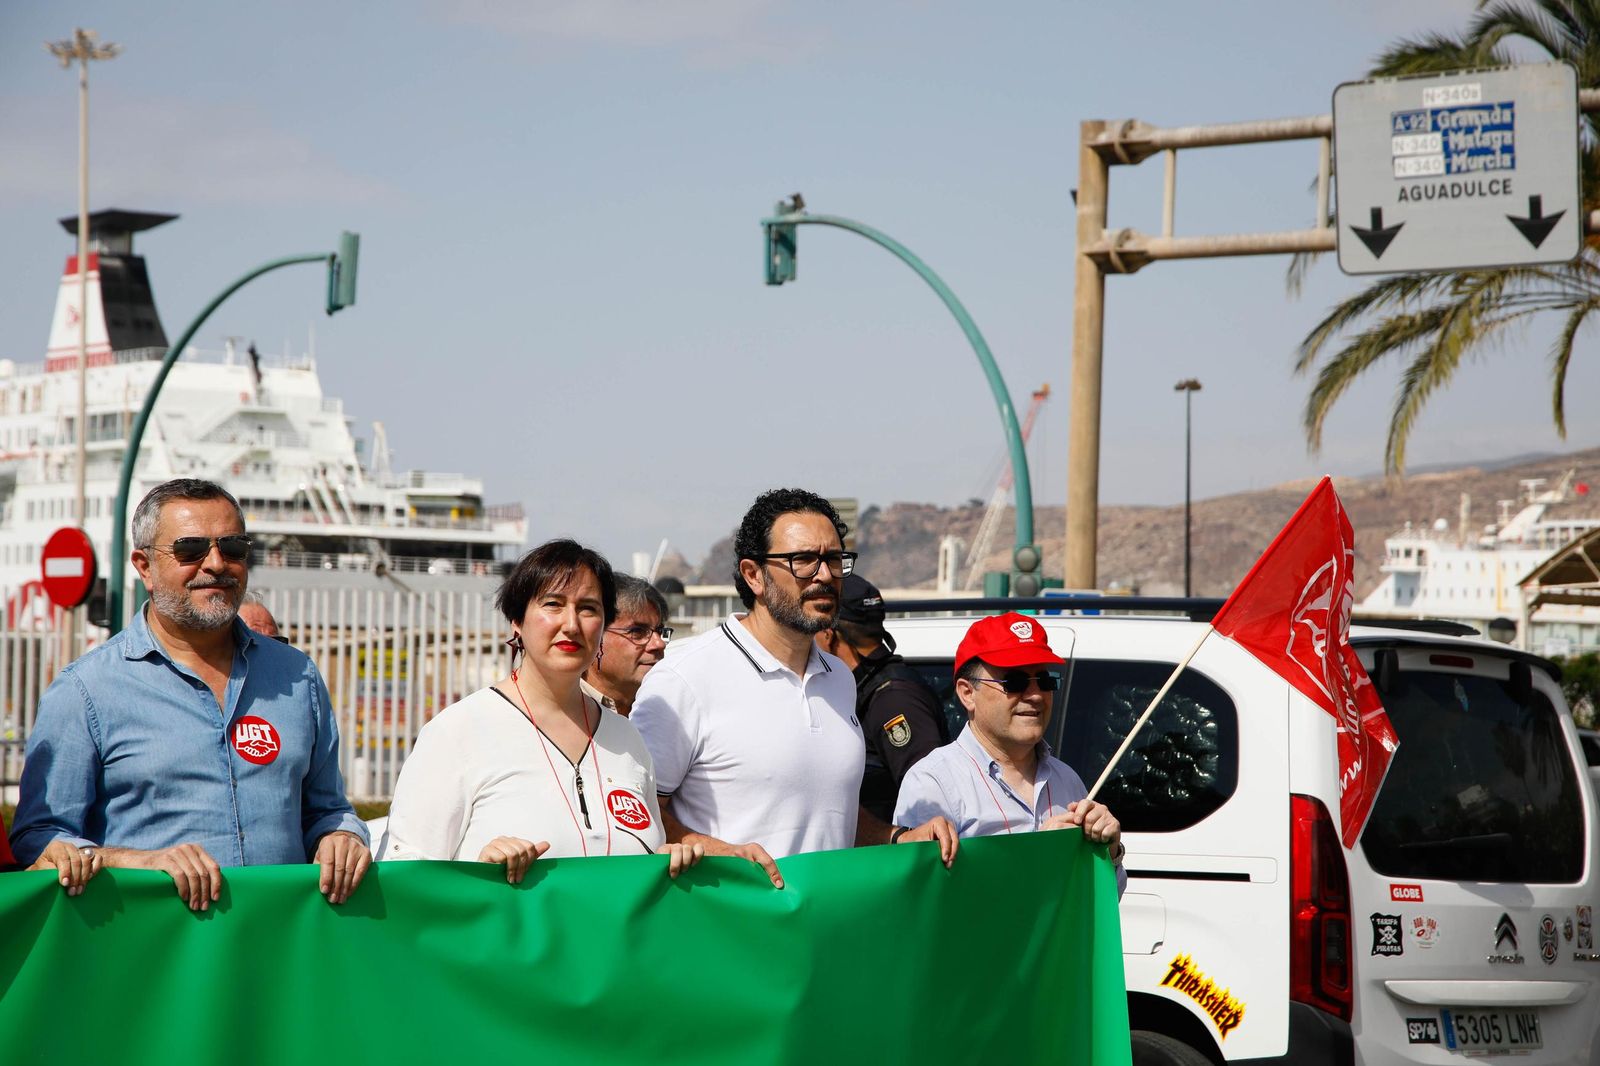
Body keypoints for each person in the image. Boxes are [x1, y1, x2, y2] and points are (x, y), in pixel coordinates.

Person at [10, 478, 370, 908]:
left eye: (232, 547)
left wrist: (343, 836)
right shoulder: (85, 690)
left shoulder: (297, 676)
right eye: (190, 549)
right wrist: (135, 861)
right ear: (144, 566)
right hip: (154, 956)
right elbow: (42, 839)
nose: (216, 564)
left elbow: (327, 810)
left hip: (279, 953)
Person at [632, 488, 957, 889]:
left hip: (827, 935)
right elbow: (637, 817)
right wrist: (720, 853)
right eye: (803, 560)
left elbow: (829, 813)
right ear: (754, 575)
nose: (824, 575)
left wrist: (896, 837)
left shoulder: (839, 678)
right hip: (729, 936)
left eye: (835, 560)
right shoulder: (684, 676)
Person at [380, 539, 703, 882]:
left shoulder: (627, 741)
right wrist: (478, 870)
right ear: (517, 620)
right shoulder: (457, 732)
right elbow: (403, 875)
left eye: (589, 608)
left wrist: (664, 860)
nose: (571, 624)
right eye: (553, 604)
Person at [894, 611, 1126, 896]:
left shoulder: (1067, 780)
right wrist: (1036, 856)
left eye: (1044, 680)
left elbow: (1102, 899)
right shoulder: (933, 781)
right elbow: (925, 900)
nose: (1035, 695)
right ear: (968, 694)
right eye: (1014, 682)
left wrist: (1110, 851)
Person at [815, 573, 949, 823]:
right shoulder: (859, 689)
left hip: (893, 856)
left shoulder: (893, 699)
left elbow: (931, 807)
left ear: (827, 634)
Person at [580, 574, 671, 717]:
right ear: (593, 636)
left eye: (660, 631)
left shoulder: (668, 711)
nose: (659, 644)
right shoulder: (563, 711)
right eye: (637, 631)